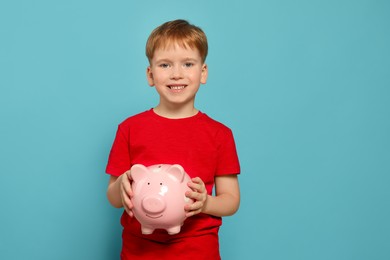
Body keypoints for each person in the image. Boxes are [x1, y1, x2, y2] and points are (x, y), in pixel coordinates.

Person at [105, 19, 241, 260]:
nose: (176, 74)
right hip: (139, 250)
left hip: (198, 250)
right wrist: (123, 183)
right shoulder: (129, 128)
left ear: (203, 72)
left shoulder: (220, 134)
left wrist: (205, 203)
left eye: (188, 64)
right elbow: (114, 199)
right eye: (165, 65)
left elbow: (230, 201)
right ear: (150, 74)